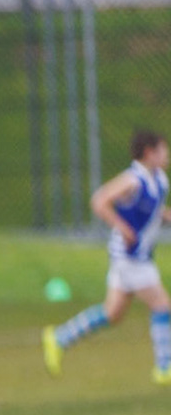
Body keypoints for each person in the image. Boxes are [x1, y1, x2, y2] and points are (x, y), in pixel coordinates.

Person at [44, 129, 171, 382]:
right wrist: (122, 228)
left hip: (139, 256)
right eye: (163, 149)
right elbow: (100, 200)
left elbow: (149, 209)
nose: (166, 154)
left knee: (113, 313)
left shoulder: (159, 180)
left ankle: (59, 338)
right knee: (162, 306)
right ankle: (164, 367)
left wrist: (165, 216)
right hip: (129, 257)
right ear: (149, 152)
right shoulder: (133, 179)